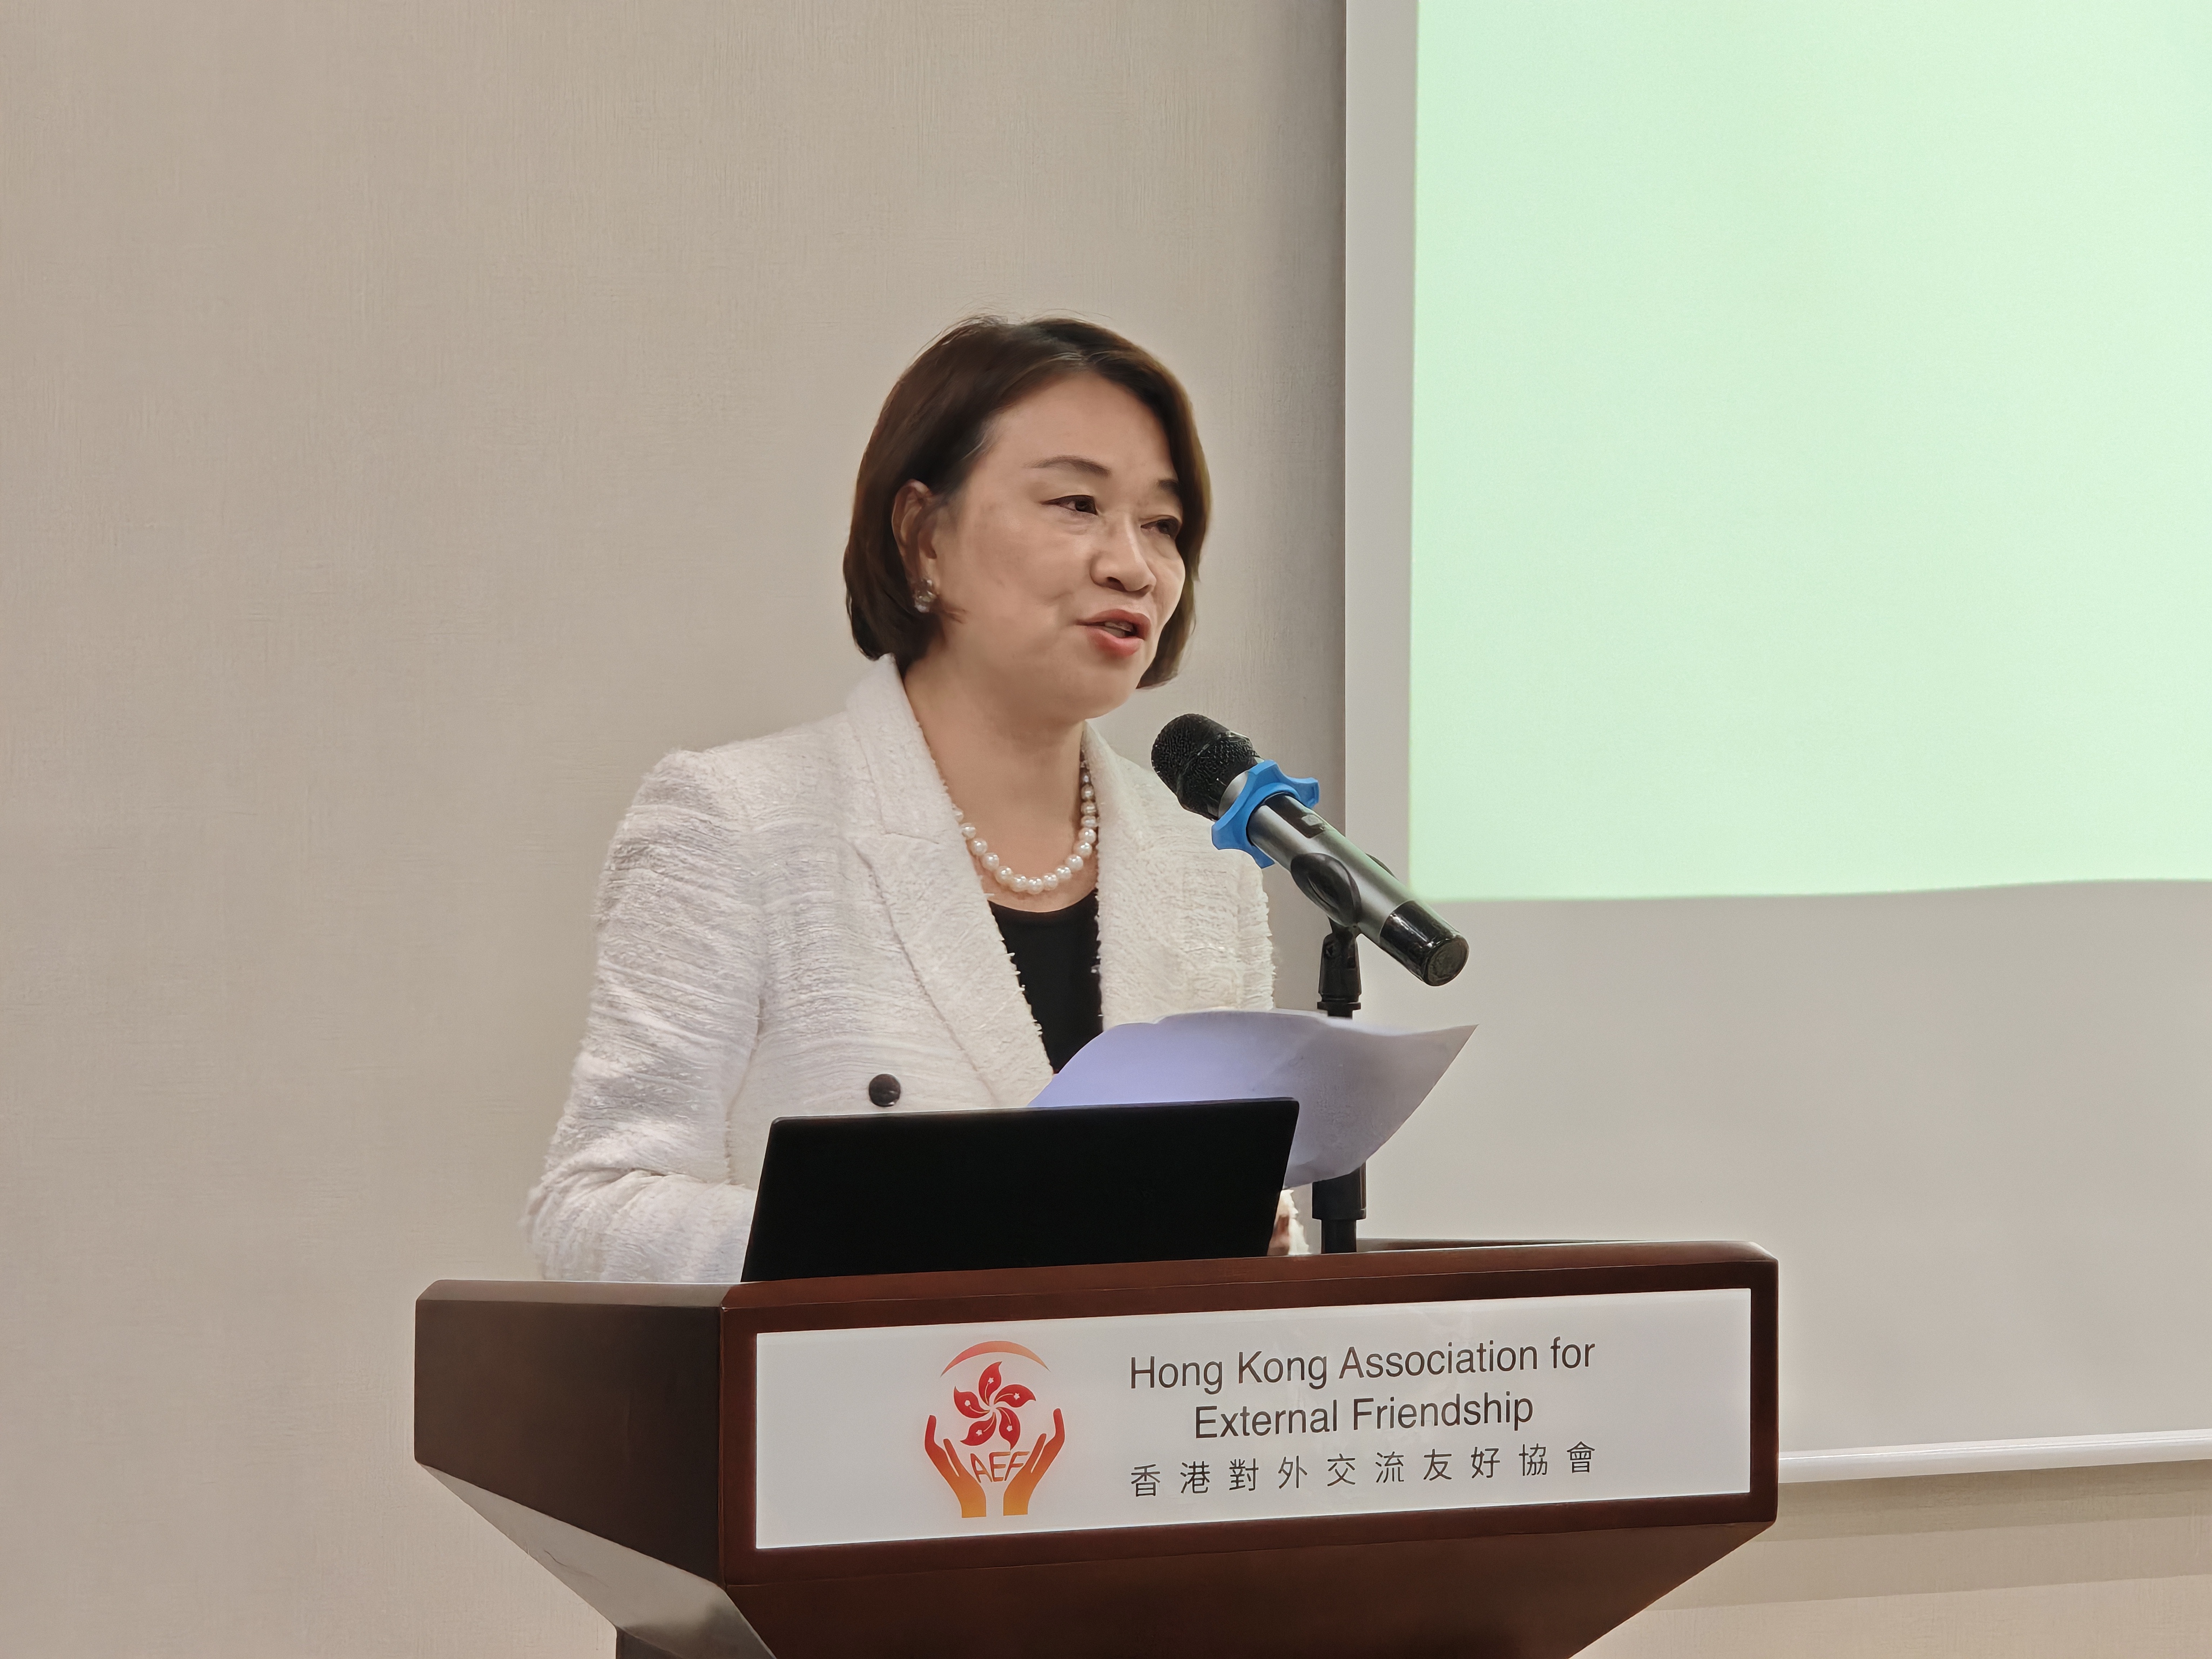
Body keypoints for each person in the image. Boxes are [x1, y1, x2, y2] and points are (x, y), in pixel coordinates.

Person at [525, 316, 1291, 1282]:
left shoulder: (1204, 866)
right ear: (924, 536)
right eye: (1076, 504)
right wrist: (910, 1230)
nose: (1133, 566)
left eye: (1163, 525)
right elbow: (593, 1210)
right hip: (858, 1383)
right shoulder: (738, 822)